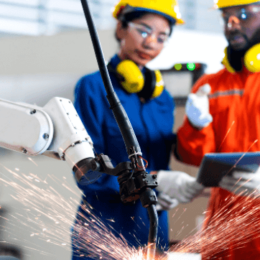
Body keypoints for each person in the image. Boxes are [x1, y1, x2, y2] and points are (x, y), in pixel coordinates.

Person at [71, 0, 201, 259]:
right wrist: (150, 184)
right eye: (143, 31)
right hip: (105, 230)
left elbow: (164, 157)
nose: (151, 42)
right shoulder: (93, 88)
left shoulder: (161, 97)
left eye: (161, 37)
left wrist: (167, 189)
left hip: (154, 227)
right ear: (120, 28)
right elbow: (85, 172)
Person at [162, 0, 260, 259]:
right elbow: (196, 156)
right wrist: (196, 125)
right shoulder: (209, 86)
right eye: (225, 17)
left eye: (242, 14)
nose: (231, 24)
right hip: (223, 230)